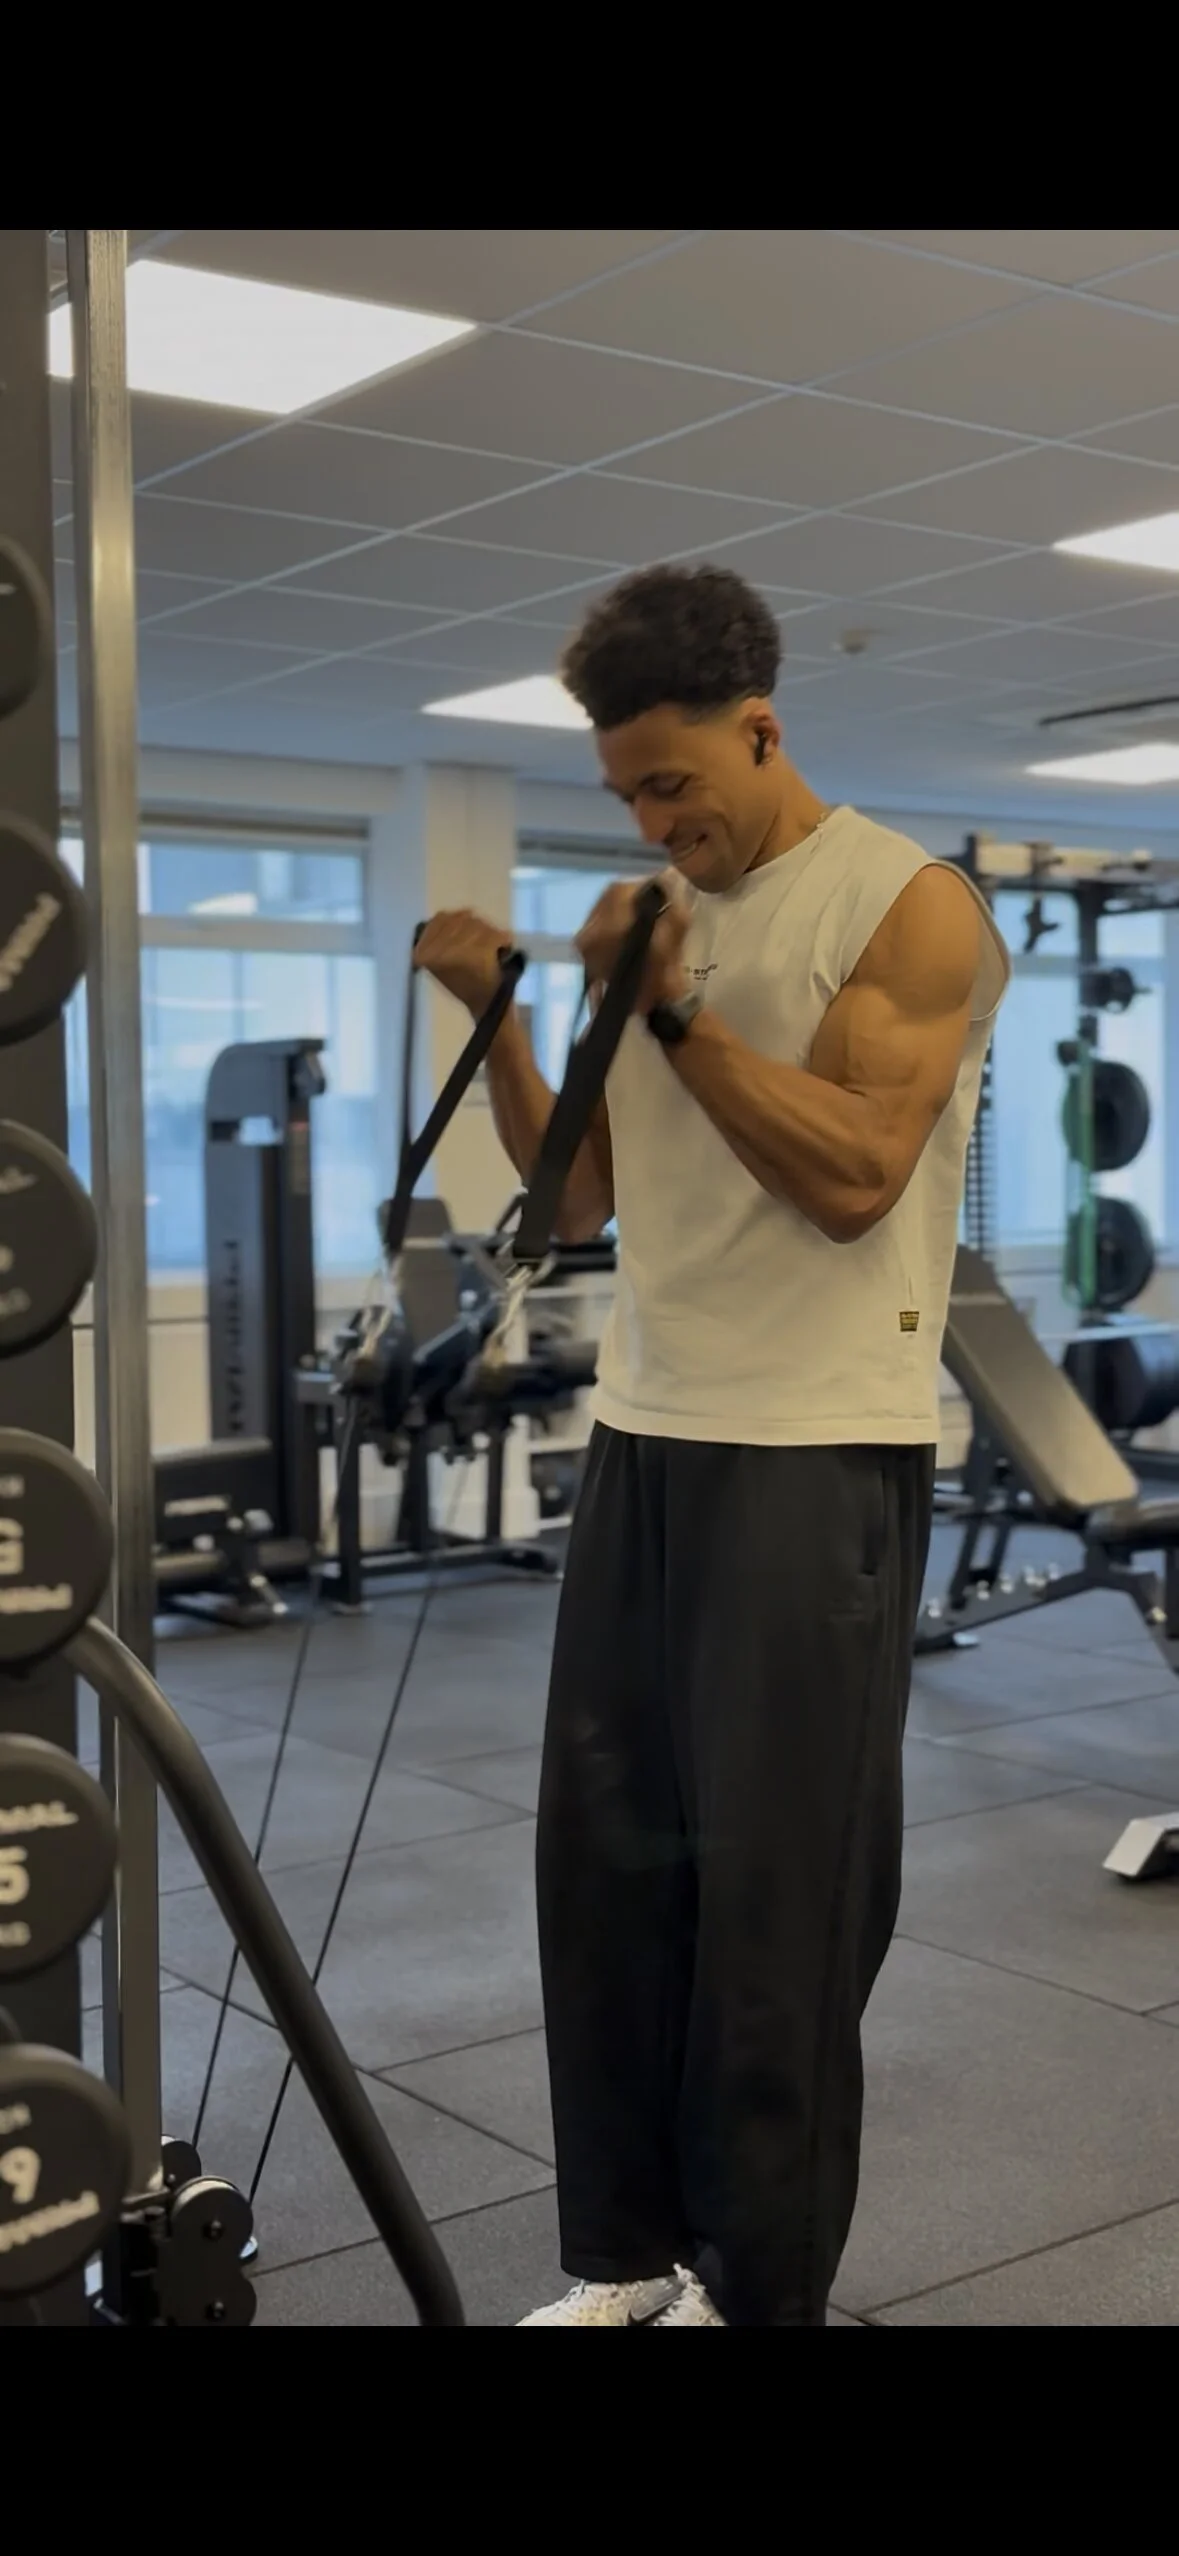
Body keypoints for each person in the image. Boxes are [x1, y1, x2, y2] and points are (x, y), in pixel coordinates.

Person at [413, 563, 1010, 2328]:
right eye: (624, 794)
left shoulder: (905, 906)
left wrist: (670, 1010)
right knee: (605, 1872)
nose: (652, 824)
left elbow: (853, 1178)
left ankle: (758, 2294)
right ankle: (626, 2261)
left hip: (813, 1451)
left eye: (672, 784)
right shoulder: (647, 916)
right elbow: (576, 1193)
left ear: (761, 729)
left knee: (775, 1907)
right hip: (646, 1431)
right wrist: (508, 1018)